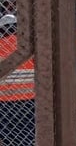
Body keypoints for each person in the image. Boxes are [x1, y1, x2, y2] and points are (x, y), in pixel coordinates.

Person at [0, 14, 35, 145]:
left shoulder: (1, 46)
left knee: (10, 137)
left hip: (4, 102)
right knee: (30, 135)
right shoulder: (30, 47)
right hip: (30, 99)